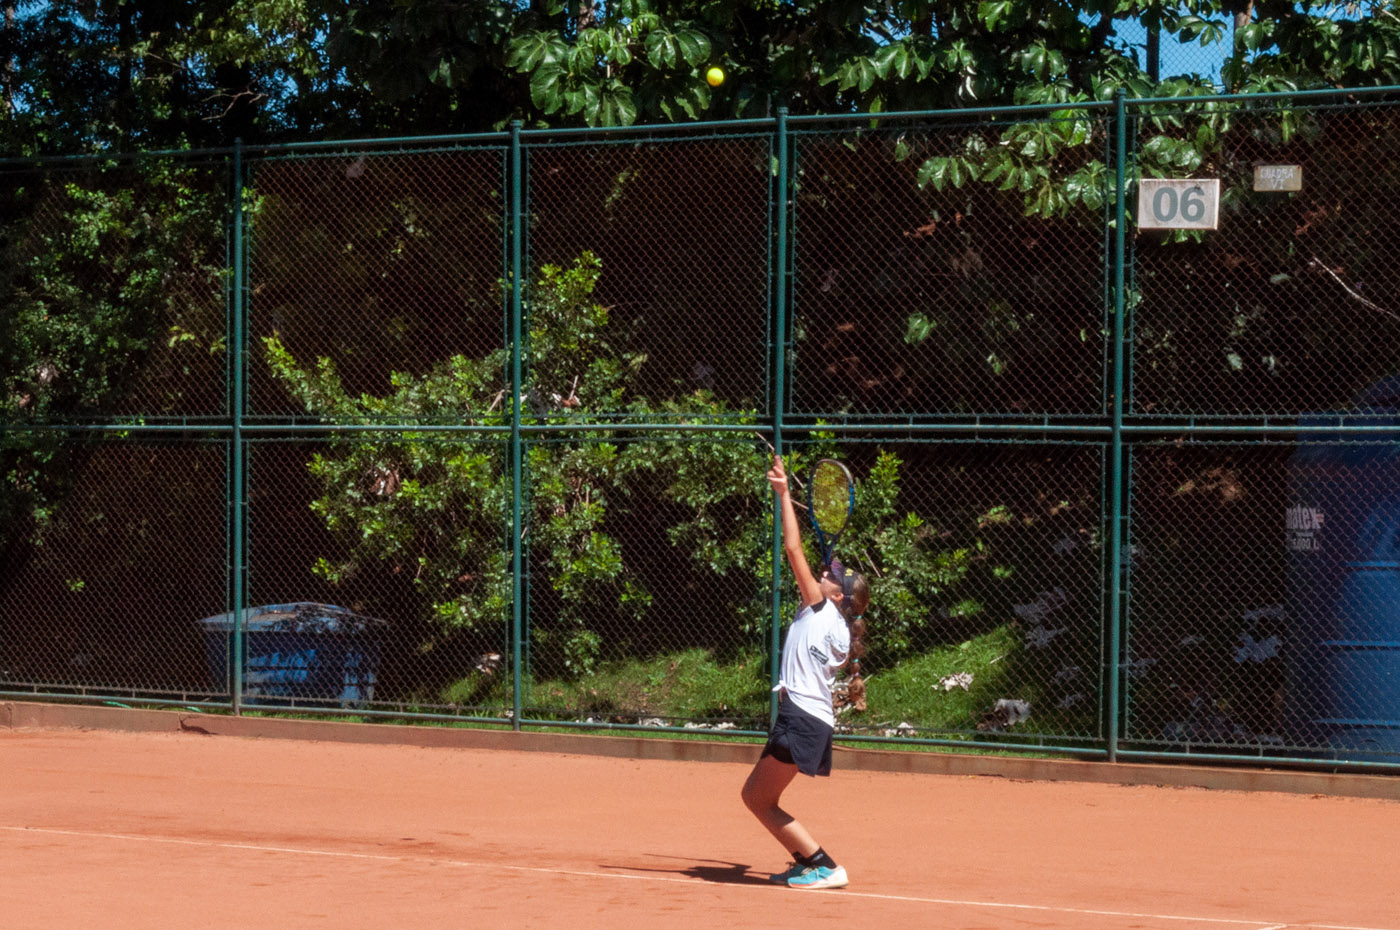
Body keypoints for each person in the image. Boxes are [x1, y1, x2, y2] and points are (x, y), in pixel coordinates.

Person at [742, 453, 869, 890]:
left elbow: (793, 549)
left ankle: (824, 866)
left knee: (758, 798)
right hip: (810, 719)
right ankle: (808, 862)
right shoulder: (837, 626)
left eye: (832, 576)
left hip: (801, 718)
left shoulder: (820, 609)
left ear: (837, 597)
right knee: (757, 797)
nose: (824, 573)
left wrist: (783, 494)